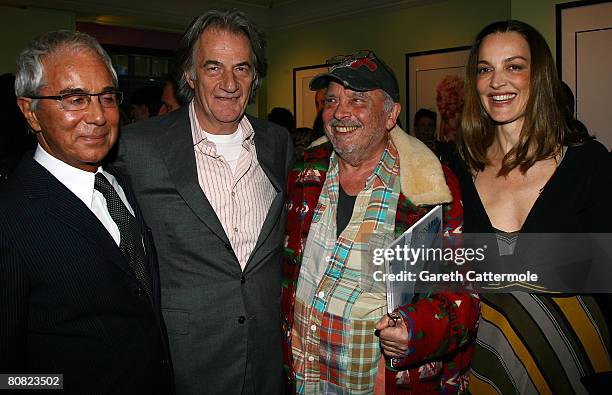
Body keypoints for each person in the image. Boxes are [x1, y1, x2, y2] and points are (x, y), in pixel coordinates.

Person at [113, 9, 293, 395]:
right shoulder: (139, 147)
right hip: (185, 360)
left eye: (242, 69)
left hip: (266, 361)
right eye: (213, 68)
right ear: (190, 75)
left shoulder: (278, 143)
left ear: (254, 77)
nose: (229, 83)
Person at [281, 50, 479, 394]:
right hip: (302, 377)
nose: (339, 112)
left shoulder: (429, 187)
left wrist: (413, 330)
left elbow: (463, 293)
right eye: (331, 99)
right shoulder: (304, 171)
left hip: (375, 384)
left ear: (391, 115)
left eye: (357, 99)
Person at [0, 30, 173, 393]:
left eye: (107, 97)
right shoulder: (10, 218)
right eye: (73, 99)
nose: (98, 116)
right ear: (30, 112)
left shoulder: (123, 183)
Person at [452, 20, 612, 394]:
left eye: (514, 66)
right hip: (487, 363)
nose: (497, 82)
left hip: (578, 365)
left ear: (538, 75)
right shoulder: (457, 169)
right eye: (485, 69)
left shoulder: (588, 164)